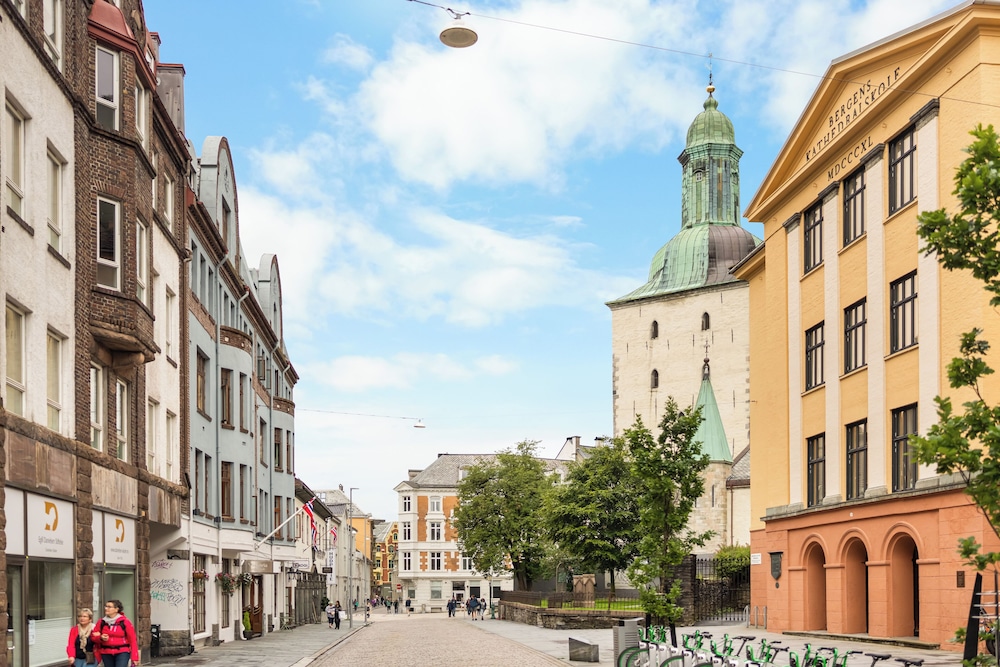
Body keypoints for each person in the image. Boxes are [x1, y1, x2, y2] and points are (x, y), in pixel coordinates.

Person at [90, 600, 138, 667]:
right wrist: (101, 637)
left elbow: (133, 640)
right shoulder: (101, 622)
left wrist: (134, 657)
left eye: (109, 607)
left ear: (116, 609)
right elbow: (93, 637)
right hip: (106, 652)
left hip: (122, 651)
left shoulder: (125, 622)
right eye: (106, 606)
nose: (106, 608)